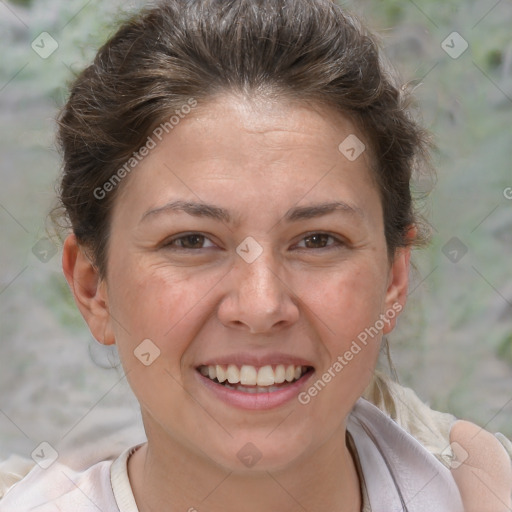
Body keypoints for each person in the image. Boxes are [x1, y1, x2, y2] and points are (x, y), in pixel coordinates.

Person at [1, 0, 511, 510]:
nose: (261, 307)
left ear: (394, 281)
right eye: (191, 241)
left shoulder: (478, 489)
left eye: (318, 240)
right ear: (94, 288)